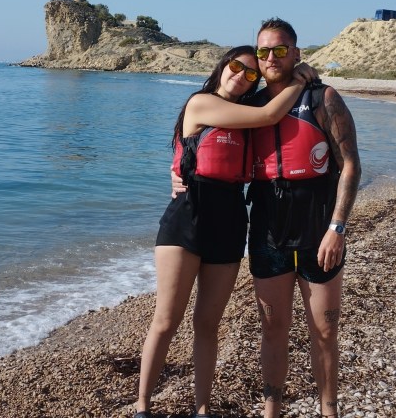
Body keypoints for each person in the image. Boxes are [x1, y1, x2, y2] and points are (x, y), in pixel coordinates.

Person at [173, 18, 361, 417]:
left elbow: (350, 167)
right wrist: (177, 175)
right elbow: (202, 142)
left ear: (296, 53)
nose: (271, 58)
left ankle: (330, 412)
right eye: (263, 52)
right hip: (268, 230)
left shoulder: (323, 97)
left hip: (317, 227)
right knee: (273, 329)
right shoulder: (251, 105)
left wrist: (337, 228)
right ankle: (270, 412)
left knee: (325, 331)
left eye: (280, 50)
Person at [135, 45, 317, 418]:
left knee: (207, 323)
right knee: (167, 320)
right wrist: (299, 78)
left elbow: (272, 128)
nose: (241, 75)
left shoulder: (246, 120)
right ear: (222, 68)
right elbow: (270, 113)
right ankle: (142, 407)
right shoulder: (201, 103)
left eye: (251, 73)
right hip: (188, 217)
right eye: (236, 66)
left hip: (232, 218)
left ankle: (202, 410)